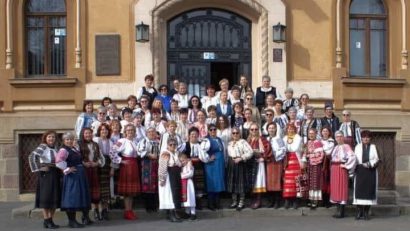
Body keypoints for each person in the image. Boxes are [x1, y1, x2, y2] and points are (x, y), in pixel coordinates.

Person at [56, 132, 90, 228]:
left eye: (71, 139)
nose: (70, 141)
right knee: (71, 198)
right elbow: (58, 162)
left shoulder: (73, 149)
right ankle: (72, 221)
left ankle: (79, 219)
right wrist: (67, 169)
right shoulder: (63, 150)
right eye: (67, 139)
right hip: (72, 177)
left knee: (78, 196)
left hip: (79, 175)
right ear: (64, 141)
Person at [28, 130, 61, 229]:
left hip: (55, 172)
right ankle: (47, 220)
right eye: (49, 137)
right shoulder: (43, 147)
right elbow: (32, 156)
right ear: (45, 138)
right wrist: (39, 168)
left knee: (54, 197)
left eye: (53, 137)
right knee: (46, 197)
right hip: (46, 174)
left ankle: (50, 220)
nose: (51, 139)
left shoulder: (56, 148)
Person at [110, 124, 141, 220]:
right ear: (125, 132)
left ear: (135, 132)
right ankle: (127, 212)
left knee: (131, 192)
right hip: (127, 166)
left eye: (132, 130)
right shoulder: (122, 141)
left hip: (134, 165)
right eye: (128, 130)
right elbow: (112, 151)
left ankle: (130, 210)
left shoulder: (135, 141)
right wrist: (121, 160)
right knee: (127, 192)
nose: (130, 132)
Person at [79, 128, 105, 222]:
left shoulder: (95, 144)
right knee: (85, 192)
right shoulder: (79, 145)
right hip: (83, 171)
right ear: (83, 134)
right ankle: (85, 215)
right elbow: (76, 157)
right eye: (86, 133)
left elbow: (101, 157)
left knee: (95, 192)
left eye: (89, 133)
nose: (88, 135)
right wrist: (83, 163)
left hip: (94, 170)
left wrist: (96, 163)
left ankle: (96, 211)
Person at [353, 130, 380, 220]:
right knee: (359, 191)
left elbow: (377, 159)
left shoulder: (373, 147)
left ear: (370, 138)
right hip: (360, 171)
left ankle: (366, 212)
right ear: (361, 138)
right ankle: (359, 211)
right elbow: (354, 159)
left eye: (367, 137)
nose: (366, 139)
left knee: (369, 191)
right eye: (364, 137)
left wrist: (370, 164)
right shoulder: (357, 147)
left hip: (370, 171)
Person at [330, 131, 357, 218]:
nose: (339, 138)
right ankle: (338, 210)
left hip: (341, 169)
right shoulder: (335, 147)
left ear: (343, 137)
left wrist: (346, 165)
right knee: (336, 188)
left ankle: (342, 212)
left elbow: (353, 157)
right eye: (337, 137)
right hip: (334, 169)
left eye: (341, 136)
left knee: (342, 188)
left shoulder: (346, 146)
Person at [226, 127, 253, 211]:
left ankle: (241, 202)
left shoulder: (243, 142)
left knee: (240, 183)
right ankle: (234, 201)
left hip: (240, 163)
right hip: (231, 163)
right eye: (233, 133)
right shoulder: (229, 143)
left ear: (240, 134)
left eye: (237, 133)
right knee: (233, 182)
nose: (235, 135)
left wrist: (241, 158)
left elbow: (250, 152)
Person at [201, 124, 226, 210]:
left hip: (219, 164)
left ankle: (217, 203)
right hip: (211, 165)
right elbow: (202, 152)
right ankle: (210, 204)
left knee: (218, 182)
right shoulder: (206, 141)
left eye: (214, 129)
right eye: (211, 130)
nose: (213, 131)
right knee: (211, 183)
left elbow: (224, 152)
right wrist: (208, 158)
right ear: (208, 131)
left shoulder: (220, 140)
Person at [247, 123, 272, 209]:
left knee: (258, 181)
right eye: (252, 129)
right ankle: (253, 198)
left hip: (258, 162)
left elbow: (268, 149)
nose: (254, 131)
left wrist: (263, 158)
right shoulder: (248, 140)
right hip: (250, 162)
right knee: (251, 181)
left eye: (256, 129)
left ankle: (258, 200)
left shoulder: (262, 139)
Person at [158, 138, 183, 222]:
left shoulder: (177, 153)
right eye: (170, 144)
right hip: (168, 176)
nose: (173, 146)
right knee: (169, 194)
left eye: (174, 144)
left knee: (175, 193)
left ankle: (173, 213)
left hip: (175, 175)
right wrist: (162, 179)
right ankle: (171, 214)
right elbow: (162, 167)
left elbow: (180, 163)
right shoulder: (165, 154)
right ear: (167, 145)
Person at [93, 124, 114, 220]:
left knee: (106, 190)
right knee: (96, 189)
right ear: (99, 131)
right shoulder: (95, 140)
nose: (104, 131)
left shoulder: (111, 142)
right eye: (102, 130)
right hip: (97, 166)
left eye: (106, 130)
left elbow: (114, 156)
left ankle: (104, 210)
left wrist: (113, 168)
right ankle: (96, 210)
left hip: (107, 166)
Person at [183, 127, 206, 211]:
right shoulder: (185, 145)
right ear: (189, 136)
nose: (194, 136)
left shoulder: (201, 144)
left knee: (199, 185)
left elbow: (204, 156)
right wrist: (188, 160)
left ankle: (198, 204)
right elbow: (182, 156)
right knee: (190, 185)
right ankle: (189, 204)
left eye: (195, 134)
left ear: (198, 135)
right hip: (189, 167)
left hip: (199, 167)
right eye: (192, 134)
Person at [137, 127, 160, 213]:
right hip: (147, 164)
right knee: (147, 184)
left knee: (155, 184)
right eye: (150, 132)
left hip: (156, 164)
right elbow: (139, 150)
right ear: (146, 133)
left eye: (153, 132)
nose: (151, 133)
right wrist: (149, 154)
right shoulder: (143, 141)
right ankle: (148, 206)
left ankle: (154, 205)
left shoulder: (158, 142)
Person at [282, 124, 304, 209]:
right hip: (287, 160)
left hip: (296, 160)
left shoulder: (298, 137)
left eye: (292, 129)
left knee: (296, 181)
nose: (290, 130)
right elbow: (284, 148)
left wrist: (287, 148)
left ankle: (296, 200)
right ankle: (288, 199)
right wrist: (287, 148)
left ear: (294, 130)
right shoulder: (284, 138)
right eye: (288, 129)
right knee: (287, 181)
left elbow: (294, 148)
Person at [303, 128, 325, 209]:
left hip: (316, 164)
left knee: (315, 182)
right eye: (310, 134)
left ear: (316, 134)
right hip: (309, 165)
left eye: (313, 133)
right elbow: (304, 153)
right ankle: (310, 199)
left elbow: (320, 154)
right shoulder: (307, 143)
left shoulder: (318, 143)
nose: (311, 135)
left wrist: (309, 156)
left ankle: (316, 201)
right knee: (309, 182)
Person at [266, 122, 286, 209]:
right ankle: (271, 200)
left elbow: (283, 150)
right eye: (269, 128)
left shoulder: (279, 139)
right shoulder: (265, 139)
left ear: (276, 129)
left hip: (276, 161)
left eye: (273, 128)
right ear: (267, 130)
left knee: (276, 181)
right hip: (268, 162)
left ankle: (277, 201)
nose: (271, 129)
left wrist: (274, 154)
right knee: (269, 181)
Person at [320, 126, 335, 208]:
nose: (325, 132)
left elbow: (327, 151)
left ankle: (328, 200)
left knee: (327, 181)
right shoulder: (319, 140)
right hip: (320, 161)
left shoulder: (331, 141)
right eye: (323, 131)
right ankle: (322, 200)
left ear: (329, 132)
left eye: (326, 131)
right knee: (321, 181)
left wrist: (320, 149)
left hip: (327, 163)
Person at [179, 153, 197, 220]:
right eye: (181, 161)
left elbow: (190, 174)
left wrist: (181, 176)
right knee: (186, 199)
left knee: (191, 198)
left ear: (187, 159)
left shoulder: (190, 165)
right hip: (183, 184)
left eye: (183, 160)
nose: (182, 162)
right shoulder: (181, 167)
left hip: (189, 184)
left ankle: (193, 213)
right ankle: (187, 213)